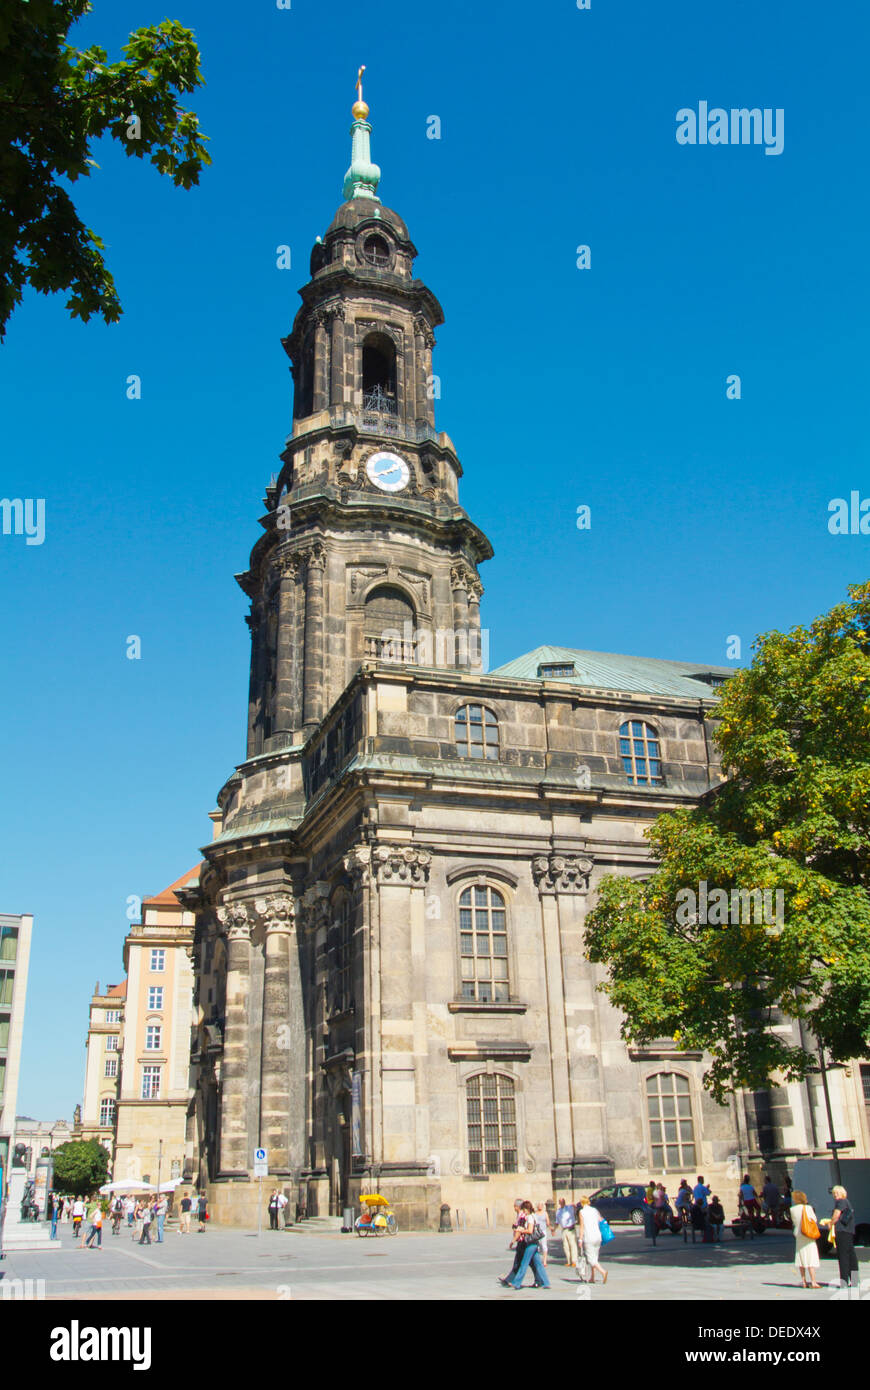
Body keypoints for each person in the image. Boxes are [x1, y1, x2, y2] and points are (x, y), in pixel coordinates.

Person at [501, 1201, 550, 1290]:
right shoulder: (535, 1215)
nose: (523, 1212)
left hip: (530, 1243)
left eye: (524, 1210)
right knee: (538, 1264)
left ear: (526, 1209)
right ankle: (545, 1282)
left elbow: (530, 1230)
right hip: (535, 1243)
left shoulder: (530, 1217)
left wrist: (522, 1230)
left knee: (524, 1263)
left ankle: (517, 1283)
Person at [789, 1189, 821, 1289]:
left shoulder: (792, 1209)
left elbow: (794, 1222)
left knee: (801, 1257)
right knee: (810, 1257)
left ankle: (803, 1281)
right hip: (808, 1235)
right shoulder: (808, 1208)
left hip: (799, 1234)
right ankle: (814, 1281)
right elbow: (814, 1220)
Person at [830, 1185, 859, 1289]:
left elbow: (836, 1215)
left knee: (843, 1257)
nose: (835, 1195)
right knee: (851, 1256)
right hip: (849, 1231)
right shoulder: (847, 1202)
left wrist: (830, 1223)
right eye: (834, 1193)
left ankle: (844, 1283)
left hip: (842, 1231)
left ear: (842, 1193)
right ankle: (855, 1281)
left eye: (837, 1193)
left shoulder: (840, 1202)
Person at [578, 1195, 608, 1284]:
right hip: (597, 1236)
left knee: (591, 1259)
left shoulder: (582, 1212)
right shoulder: (594, 1210)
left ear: (582, 1203)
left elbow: (582, 1227)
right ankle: (592, 1277)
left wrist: (580, 1239)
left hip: (589, 1237)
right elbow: (601, 1220)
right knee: (595, 1257)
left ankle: (603, 1272)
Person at [555, 1197, 579, 1269]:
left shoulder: (569, 1208)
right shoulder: (558, 1211)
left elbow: (576, 1210)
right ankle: (569, 1261)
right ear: (559, 1203)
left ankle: (574, 1261)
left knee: (573, 1245)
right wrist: (554, 1229)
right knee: (566, 1246)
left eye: (563, 1201)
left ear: (564, 1202)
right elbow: (557, 1222)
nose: (562, 1203)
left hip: (571, 1228)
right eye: (560, 1202)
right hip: (564, 1229)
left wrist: (575, 1206)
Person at [534, 1203, 551, 1267]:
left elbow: (548, 1222)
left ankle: (544, 1261)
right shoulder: (535, 1213)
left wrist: (551, 1229)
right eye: (539, 1205)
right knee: (537, 1246)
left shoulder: (545, 1213)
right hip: (537, 1231)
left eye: (541, 1205)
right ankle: (537, 1261)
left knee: (544, 1245)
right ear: (537, 1206)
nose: (540, 1206)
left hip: (543, 1230)